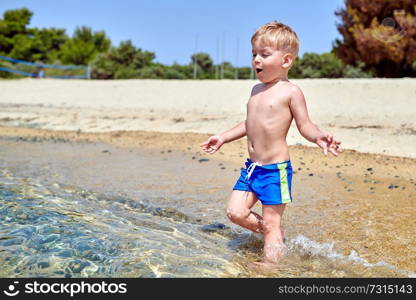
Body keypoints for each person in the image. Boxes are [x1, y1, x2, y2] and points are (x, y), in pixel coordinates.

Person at [200, 21, 342, 268]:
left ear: (286, 61)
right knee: (235, 212)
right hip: (251, 169)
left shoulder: (290, 91)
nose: (257, 60)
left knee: (272, 223)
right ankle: (272, 233)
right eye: (254, 54)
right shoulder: (255, 90)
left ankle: (270, 266)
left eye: (264, 55)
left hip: (275, 172)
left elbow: (305, 125)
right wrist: (223, 137)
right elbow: (249, 123)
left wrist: (319, 136)